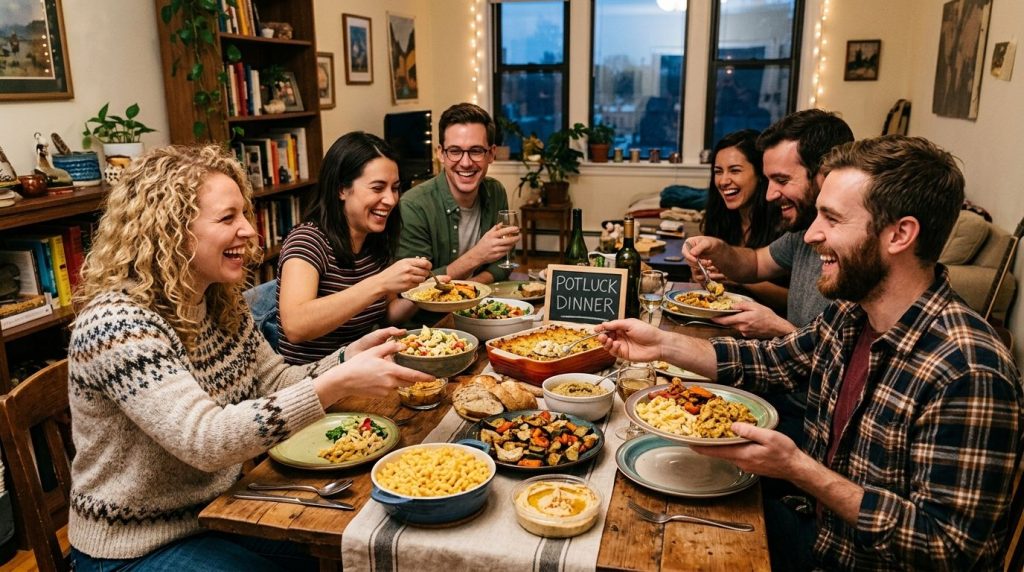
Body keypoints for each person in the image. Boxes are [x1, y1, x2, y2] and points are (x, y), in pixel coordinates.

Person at [598, 135, 1022, 570]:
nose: (813, 234)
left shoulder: (969, 370)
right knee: (634, 513)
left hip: (850, 559)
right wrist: (661, 343)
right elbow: (771, 362)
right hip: (817, 529)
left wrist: (799, 469)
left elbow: (948, 549)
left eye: (832, 219)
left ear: (900, 234)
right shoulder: (853, 314)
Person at [67, 145, 433, 570]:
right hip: (133, 545)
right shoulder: (118, 324)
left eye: (244, 214)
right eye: (228, 218)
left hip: (217, 512)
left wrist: (347, 358)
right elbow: (204, 440)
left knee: (355, 545)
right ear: (169, 230)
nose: (249, 231)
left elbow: (274, 381)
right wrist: (337, 382)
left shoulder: (219, 303)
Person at [685, 109, 854, 339]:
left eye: (782, 180)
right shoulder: (803, 229)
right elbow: (755, 263)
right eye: (769, 180)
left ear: (825, 174)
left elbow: (846, 364)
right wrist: (717, 248)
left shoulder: (859, 247)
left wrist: (780, 329)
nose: (769, 195)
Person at [277, 132, 432, 364]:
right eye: (378, 188)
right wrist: (380, 283)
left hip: (360, 374)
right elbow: (295, 326)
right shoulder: (307, 240)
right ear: (342, 189)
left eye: (395, 188)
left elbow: (388, 313)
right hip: (309, 385)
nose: (390, 199)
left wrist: (422, 292)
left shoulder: (373, 240)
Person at [397, 102, 519, 284]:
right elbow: (414, 286)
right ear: (441, 154)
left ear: (491, 154)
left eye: (476, 151)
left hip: (480, 305)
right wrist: (477, 256)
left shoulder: (495, 191)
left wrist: (472, 288)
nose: (466, 162)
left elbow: (503, 261)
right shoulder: (414, 205)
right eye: (455, 151)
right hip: (435, 312)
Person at [700, 129, 787, 314]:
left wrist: (738, 275)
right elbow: (713, 290)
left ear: (760, 174)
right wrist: (703, 275)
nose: (723, 181)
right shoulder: (718, 217)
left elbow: (792, 301)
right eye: (718, 171)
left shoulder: (786, 224)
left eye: (735, 170)